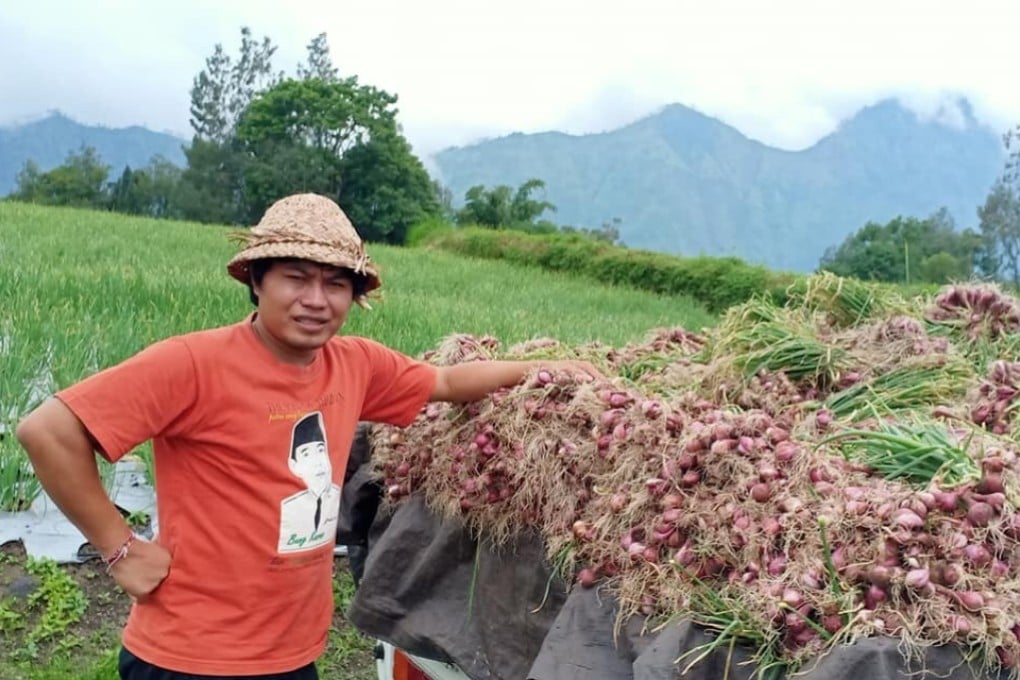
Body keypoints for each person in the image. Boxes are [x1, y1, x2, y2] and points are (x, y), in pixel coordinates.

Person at [15, 193, 599, 680]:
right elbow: (48, 430)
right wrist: (119, 547)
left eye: (335, 284)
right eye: (296, 278)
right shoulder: (192, 364)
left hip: (293, 651)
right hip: (193, 655)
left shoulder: (352, 365)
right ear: (257, 280)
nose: (316, 300)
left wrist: (544, 371)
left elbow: (444, 380)